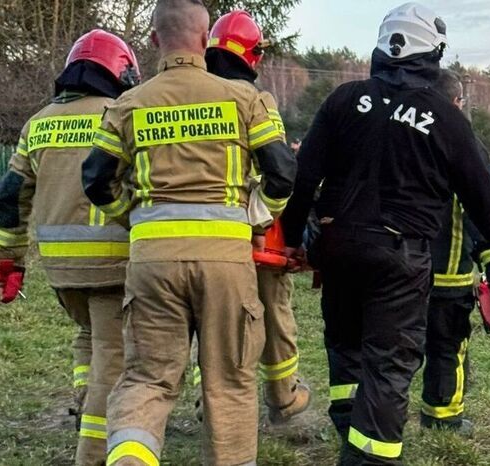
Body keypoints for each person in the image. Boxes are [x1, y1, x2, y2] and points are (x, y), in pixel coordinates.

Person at [279, 3, 490, 464]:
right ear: (433, 54)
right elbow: (481, 196)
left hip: (338, 246)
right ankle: (368, 457)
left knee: (347, 347)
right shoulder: (446, 118)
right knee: (389, 365)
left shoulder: (343, 100)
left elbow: (304, 176)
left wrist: (293, 236)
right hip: (399, 257)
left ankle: (350, 433)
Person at [81, 1, 296, 464]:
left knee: (147, 379)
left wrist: (133, 218)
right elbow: (282, 173)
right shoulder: (244, 100)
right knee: (229, 383)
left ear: (155, 41)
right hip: (226, 264)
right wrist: (256, 217)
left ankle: (131, 458)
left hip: (152, 263)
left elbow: (96, 180)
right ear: (205, 40)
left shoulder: (128, 104)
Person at [0, 30, 140, 465]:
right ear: (120, 71)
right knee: (113, 361)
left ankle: (84, 400)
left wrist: (10, 260)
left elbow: (10, 197)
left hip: (60, 270)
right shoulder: (119, 114)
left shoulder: (37, 123)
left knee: (89, 337)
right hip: (113, 265)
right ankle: (92, 453)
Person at [201, 9, 311, 425]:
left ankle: (207, 403)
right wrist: (263, 218)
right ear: (250, 55)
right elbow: (281, 171)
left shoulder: (190, 95)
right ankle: (283, 398)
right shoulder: (253, 101)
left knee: (211, 324)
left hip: (202, 236)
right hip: (253, 236)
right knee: (272, 312)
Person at [420, 70, 490, 435]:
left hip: (399, 268)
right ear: (456, 103)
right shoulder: (466, 144)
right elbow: (482, 211)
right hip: (448, 271)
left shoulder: (402, 136)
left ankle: (370, 415)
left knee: (391, 348)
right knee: (448, 346)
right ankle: (443, 418)